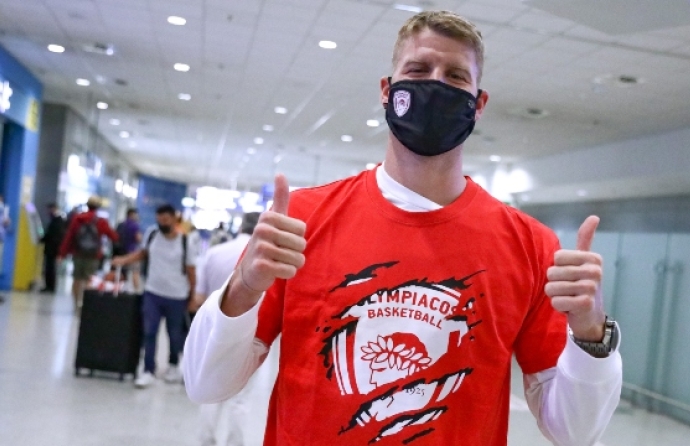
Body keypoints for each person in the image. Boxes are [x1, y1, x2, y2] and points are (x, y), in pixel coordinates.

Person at [184, 10, 622, 446]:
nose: (435, 84)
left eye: (455, 76)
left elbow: (574, 432)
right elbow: (205, 384)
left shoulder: (529, 245)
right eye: (418, 69)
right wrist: (244, 286)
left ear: (479, 104)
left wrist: (591, 334)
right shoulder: (301, 220)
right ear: (387, 90)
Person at [192, 212, 261, 446]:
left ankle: (206, 441)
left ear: (241, 226)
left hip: (215, 332)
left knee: (210, 392)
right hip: (251, 334)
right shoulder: (265, 260)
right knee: (240, 399)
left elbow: (199, 298)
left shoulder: (214, 253)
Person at [112, 204, 197, 388]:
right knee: (149, 332)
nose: (162, 223)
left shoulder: (185, 242)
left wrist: (192, 296)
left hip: (177, 295)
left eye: (165, 220)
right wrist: (124, 260)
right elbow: (142, 254)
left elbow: (191, 271)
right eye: (159, 220)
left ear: (174, 219)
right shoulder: (152, 234)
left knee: (174, 334)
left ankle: (173, 365)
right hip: (153, 292)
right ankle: (148, 369)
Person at [58, 196, 118, 310]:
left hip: (78, 253)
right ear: (98, 207)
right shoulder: (101, 221)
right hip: (93, 255)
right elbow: (113, 236)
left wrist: (62, 253)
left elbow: (69, 236)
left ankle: (76, 304)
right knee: (89, 280)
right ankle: (85, 305)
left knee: (76, 279)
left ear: (87, 205)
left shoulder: (78, 218)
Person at [39, 203, 67, 293]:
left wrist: (42, 239)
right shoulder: (59, 220)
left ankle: (49, 286)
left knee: (50, 268)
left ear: (53, 209)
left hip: (52, 248)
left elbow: (51, 235)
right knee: (50, 268)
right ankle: (50, 286)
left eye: (49, 209)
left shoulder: (57, 220)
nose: (48, 212)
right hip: (54, 248)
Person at [114, 208, 142, 292]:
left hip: (121, 252)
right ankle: (136, 291)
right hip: (132, 252)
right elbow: (138, 238)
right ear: (132, 215)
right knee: (135, 272)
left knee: (121, 272)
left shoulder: (121, 224)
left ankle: (119, 289)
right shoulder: (134, 225)